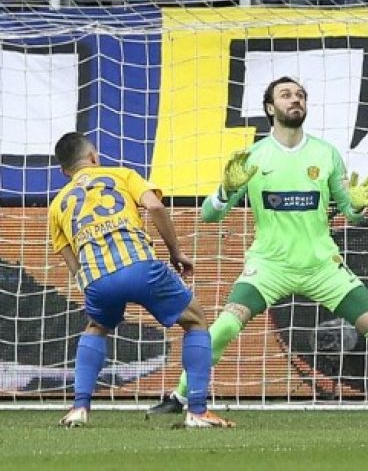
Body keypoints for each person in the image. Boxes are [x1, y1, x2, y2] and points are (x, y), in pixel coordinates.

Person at [148, 77, 368, 415]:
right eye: (286, 95)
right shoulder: (252, 157)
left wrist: (359, 206)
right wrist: (226, 191)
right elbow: (209, 215)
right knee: (223, 329)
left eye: (300, 95)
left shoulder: (326, 154)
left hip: (322, 267)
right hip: (269, 267)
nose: (295, 100)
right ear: (270, 107)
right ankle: (179, 397)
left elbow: (350, 212)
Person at [49, 132, 232, 428]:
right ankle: (197, 411)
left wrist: (93, 287)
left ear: (63, 171)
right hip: (140, 266)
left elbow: (71, 260)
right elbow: (155, 206)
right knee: (196, 320)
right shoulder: (121, 175)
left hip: (97, 279)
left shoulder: (57, 204)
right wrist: (175, 252)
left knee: (96, 327)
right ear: (94, 157)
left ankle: (79, 408)